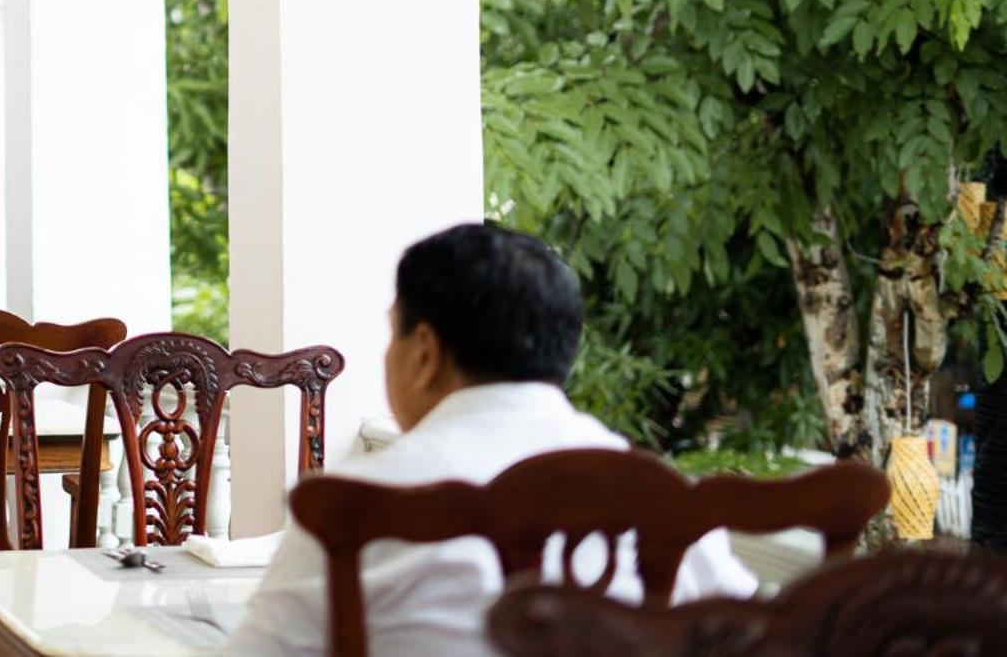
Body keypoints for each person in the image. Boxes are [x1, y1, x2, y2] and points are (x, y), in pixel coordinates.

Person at [230, 223, 755, 656]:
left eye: (395, 334)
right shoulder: (666, 502)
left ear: (424, 352)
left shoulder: (354, 505)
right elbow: (761, 636)